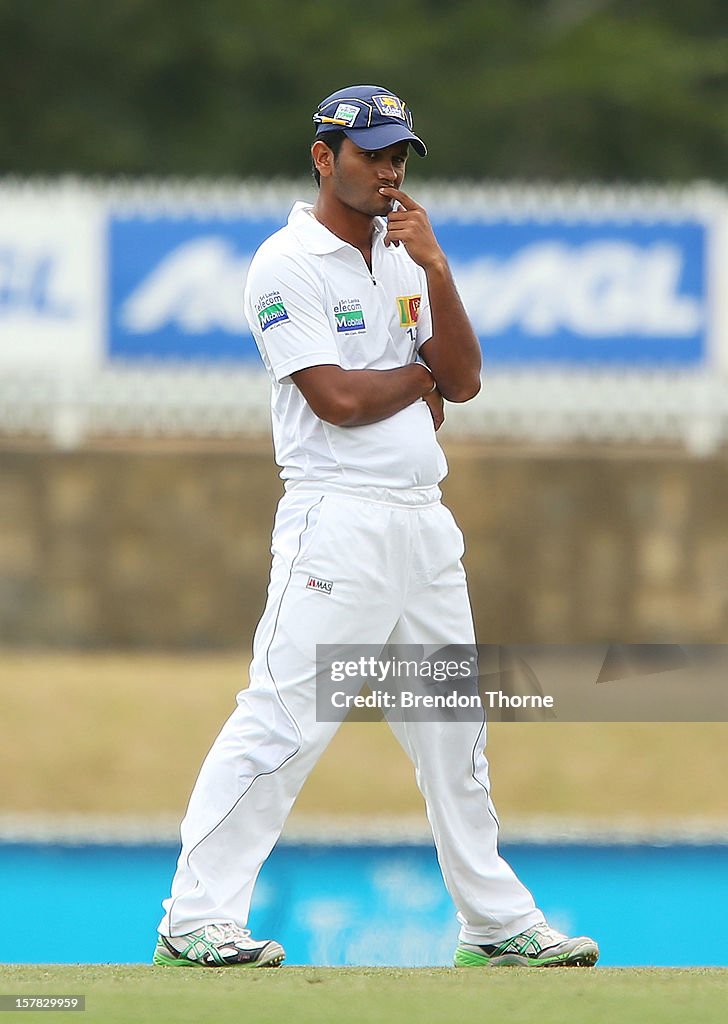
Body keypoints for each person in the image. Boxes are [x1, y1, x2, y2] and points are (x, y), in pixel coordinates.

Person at [153, 85, 599, 970]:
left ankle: (493, 923)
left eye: (400, 154)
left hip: (423, 526)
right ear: (324, 157)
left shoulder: (404, 258)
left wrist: (436, 271)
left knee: (454, 732)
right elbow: (340, 398)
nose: (390, 171)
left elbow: (464, 381)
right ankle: (193, 918)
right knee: (282, 720)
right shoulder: (285, 264)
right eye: (372, 154)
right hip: (336, 522)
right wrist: (419, 380)